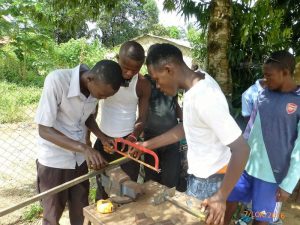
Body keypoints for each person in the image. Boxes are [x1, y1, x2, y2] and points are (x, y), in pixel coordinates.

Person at [142, 43, 250, 225]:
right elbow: (188, 127)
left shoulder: (205, 98)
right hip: (204, 178)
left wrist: (220, 196)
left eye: (157, 79)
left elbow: (241, 149)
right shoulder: (197, 82)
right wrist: (146, 146)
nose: (157, 86)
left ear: (168, 69)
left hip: (211, 182)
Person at [35, 60, 124, 225]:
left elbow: (87, 117)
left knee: (82, 213)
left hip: (79, 161)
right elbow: (44, 129)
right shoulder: (57, 80)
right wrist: (84, 147)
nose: (102, 98)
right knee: (52, 216)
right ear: (90, 79)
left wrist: (101, 136)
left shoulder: (95, 86)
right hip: (55, 161)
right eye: (102, 95)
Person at [224, 50, 300, 225]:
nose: (265, 79)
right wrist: (238, 154)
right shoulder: (264, 93)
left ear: (285, 73)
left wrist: (288, 185)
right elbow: (251, 128)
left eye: (269, 75)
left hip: (272, 175)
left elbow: (299, 150)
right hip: (246, 166)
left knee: (261, 220)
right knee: (228, 203)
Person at [91, 41, 151, 200]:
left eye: (135, 70)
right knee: (104, 188)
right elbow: (91, 113)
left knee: (126, 192)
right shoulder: (104, 78)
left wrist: (132, 138)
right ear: (118, 59)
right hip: (104, 142)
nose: (129, 73)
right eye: (125, 67)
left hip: (128, 146)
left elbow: (142, 118)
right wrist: (92, 142)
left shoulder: (142, 84)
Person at [143, 73, 183, 189]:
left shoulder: (171, 81)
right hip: (151, 137)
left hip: (172, 136)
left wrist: (184, 120)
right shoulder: (145, 82)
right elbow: (142, 108)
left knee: (171, 178)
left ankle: (168, 203)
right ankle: (151, 205)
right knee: (151, 177)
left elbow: (174, 104)